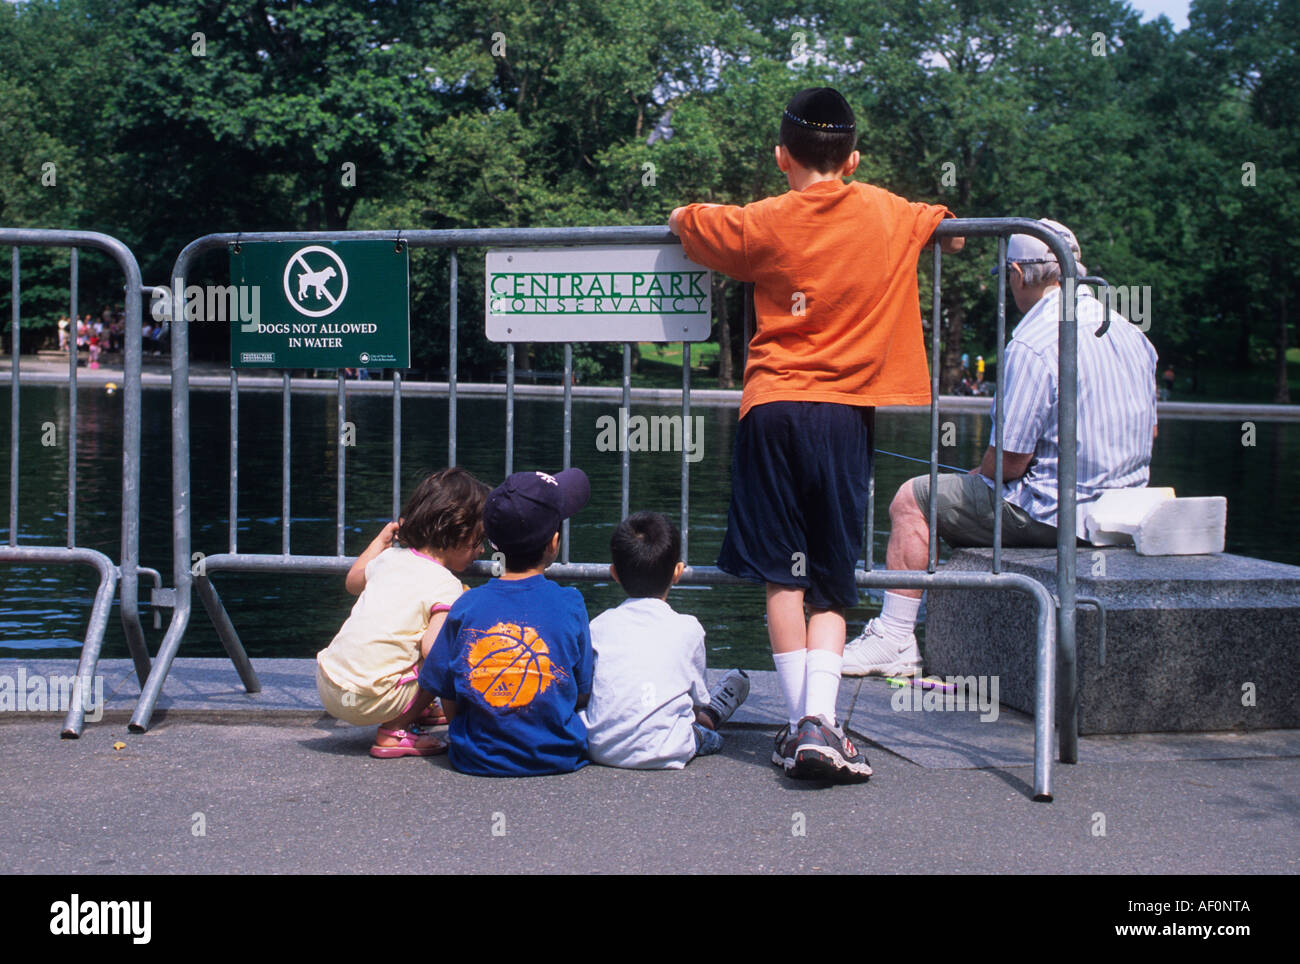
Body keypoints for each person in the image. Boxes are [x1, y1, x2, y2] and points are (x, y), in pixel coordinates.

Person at [669, 87, 963, 783]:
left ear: (781, 157)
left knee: (782, 572)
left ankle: (803, 724)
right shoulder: (890, 213)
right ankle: (820, 724)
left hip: (769, 409)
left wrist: (683, 210)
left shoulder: (762, 221)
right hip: (841, 412)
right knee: (832, 574)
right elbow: (944, 224)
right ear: (853, 159)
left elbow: (693, 223)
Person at [843, 219, 1158, 677]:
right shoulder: (1132, 334)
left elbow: (1010, 461)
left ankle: (894, 638)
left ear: (1015, 272)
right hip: (1125, 513)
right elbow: (1148, 436)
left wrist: (978, 474)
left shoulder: (1033, 341)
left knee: (915, 499)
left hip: (1056, 516)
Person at [395, 468, 595, 777]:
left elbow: (445, 688)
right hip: (559, 755)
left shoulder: (466, 606)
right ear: (553, 543)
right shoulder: (571, 603)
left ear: (492, 542)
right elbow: (581, 688)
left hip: (474, 758)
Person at [316, 467, 489, 757]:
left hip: (328, 685)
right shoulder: (446, 585)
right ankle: (396, 730)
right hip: (369, 698)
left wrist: (380, 542)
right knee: (444, 650)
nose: (481, 551)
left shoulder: (389, 558)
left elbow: (352, 582)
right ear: (458, 532)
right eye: (478, 540)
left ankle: (413, 707)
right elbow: (435, 651)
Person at [581, 511, 751, 769]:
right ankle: (712, 717)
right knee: (709, 736)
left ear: (614, 573)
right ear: (678, 571)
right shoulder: (689, 628)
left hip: (599, 747)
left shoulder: (599, 625)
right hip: (669, 748)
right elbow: (694, 702)